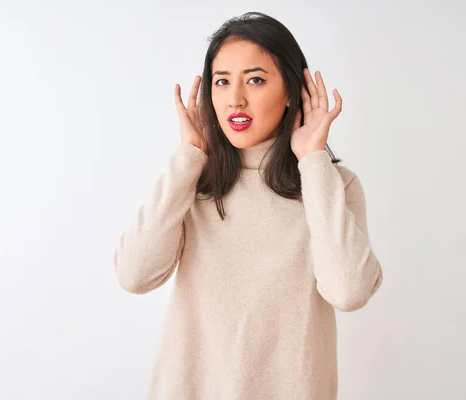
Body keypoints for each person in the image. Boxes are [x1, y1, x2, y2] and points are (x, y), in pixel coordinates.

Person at [113, 11, 383, 400]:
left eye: (255, 80)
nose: (235, 99)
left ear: (292, 90)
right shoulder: (193, 183)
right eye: (221, 82)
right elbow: (134, 275)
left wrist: (313, 160)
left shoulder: (331, 187)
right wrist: (189, 155)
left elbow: (349, 291)